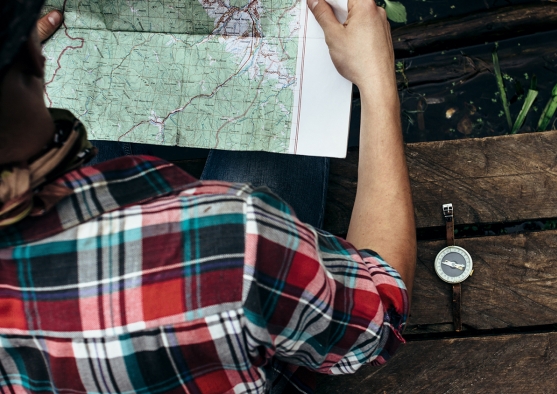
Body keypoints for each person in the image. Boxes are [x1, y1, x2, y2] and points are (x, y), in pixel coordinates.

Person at [0, 0, 416, 392]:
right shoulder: (237, 244)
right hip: (231, 322)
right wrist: (377, 83)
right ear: (34, 59)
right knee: (277, 121)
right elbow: (382, 311)